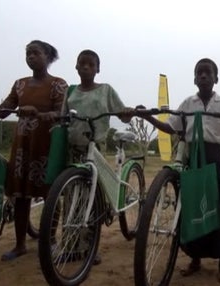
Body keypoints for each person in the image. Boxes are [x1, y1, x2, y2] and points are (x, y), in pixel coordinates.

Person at [139, 58, 220, 284]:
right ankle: (195, 259)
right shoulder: (187, 103)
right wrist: (148, 117)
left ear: (216, 78)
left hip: (214, 158)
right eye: (199, 73)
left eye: (208, 72)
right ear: (194, 79)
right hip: (192, 159)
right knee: (192, 207)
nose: (203, 76)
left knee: (218, 206)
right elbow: (171, 127)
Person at [61, 49, 134, 265]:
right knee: (72, 199)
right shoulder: (70, 91)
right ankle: (71, 245)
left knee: (94, 198)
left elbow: (122, 112)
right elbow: (62, 116)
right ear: (75, 66)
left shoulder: (106, 91)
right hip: (72, 150)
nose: (85, 67)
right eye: (81, 63)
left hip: (95, 148)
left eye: (91, 64)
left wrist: (129, 112)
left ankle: (91, 247)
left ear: (98, 69)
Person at [0, 40, 67, 261]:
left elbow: (61, 113)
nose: (30, 57)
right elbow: (5, 107)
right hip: (22, 146)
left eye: (35, 53)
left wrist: (38, 112)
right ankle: (20, 245)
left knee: (50, 195)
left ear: (48, 56)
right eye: (27, 53)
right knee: (20, 196)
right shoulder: (20, 84)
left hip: (47, 145)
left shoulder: (58, 84)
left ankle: (51, 240)